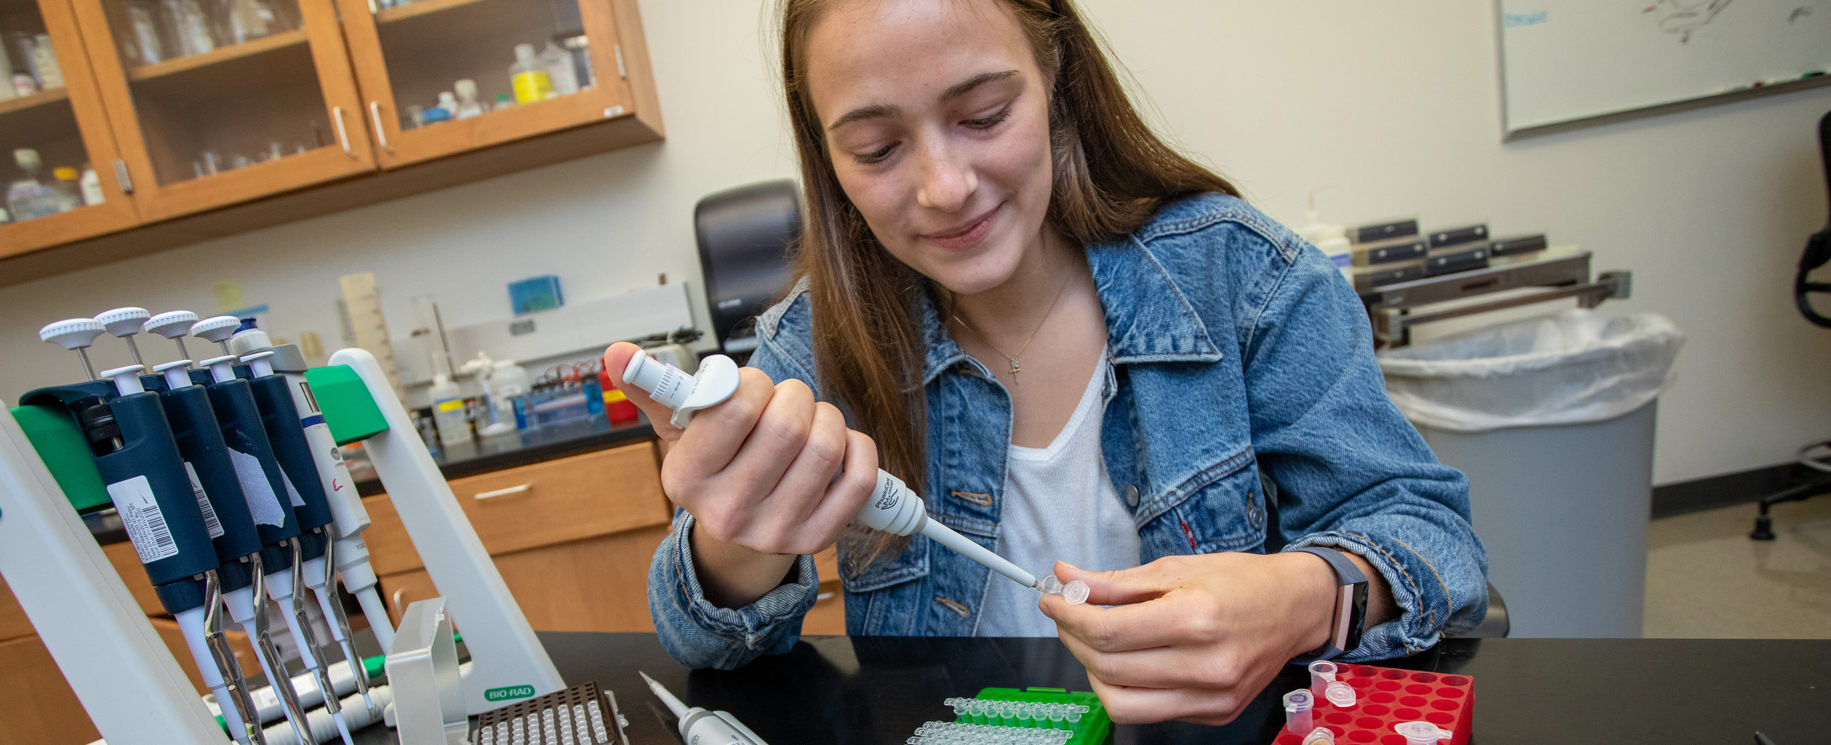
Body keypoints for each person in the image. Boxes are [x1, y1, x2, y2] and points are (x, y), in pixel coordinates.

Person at [601, 0, 1487, 725]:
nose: (945, 187)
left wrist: (1305, 595)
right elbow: (702, 643)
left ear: (1055, 76)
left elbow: (1431, 537)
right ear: (828, 158)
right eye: (877, 149)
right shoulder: (814, 346)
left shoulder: (1246, 281)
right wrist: (735, 534)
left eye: (984, 115)